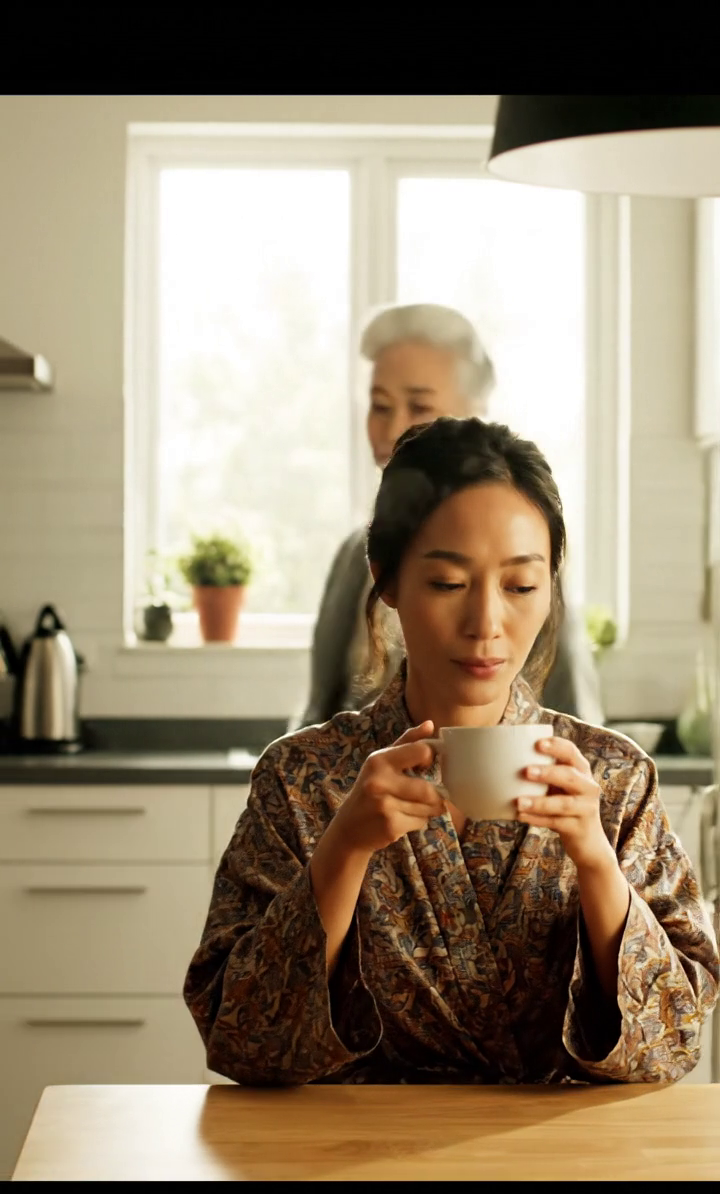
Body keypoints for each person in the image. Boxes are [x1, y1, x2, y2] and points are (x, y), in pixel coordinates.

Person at [184, 417, 718, 1086]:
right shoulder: (301, 780)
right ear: (386, 580)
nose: (487, 625)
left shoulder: (612, 778)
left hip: (564, 1157)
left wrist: (594, 859)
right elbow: (240, 1042)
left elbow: (676, 1042)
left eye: (521, 586)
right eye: (447, 584)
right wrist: (343, 847)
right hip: (354, 1155)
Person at [296, 302, 603, 730]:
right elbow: (318, 711)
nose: (391, 431)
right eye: (380, 407)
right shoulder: (354, 555)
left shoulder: (528, 548)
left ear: (474, 414)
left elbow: (576, 721)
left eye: (419, 408)